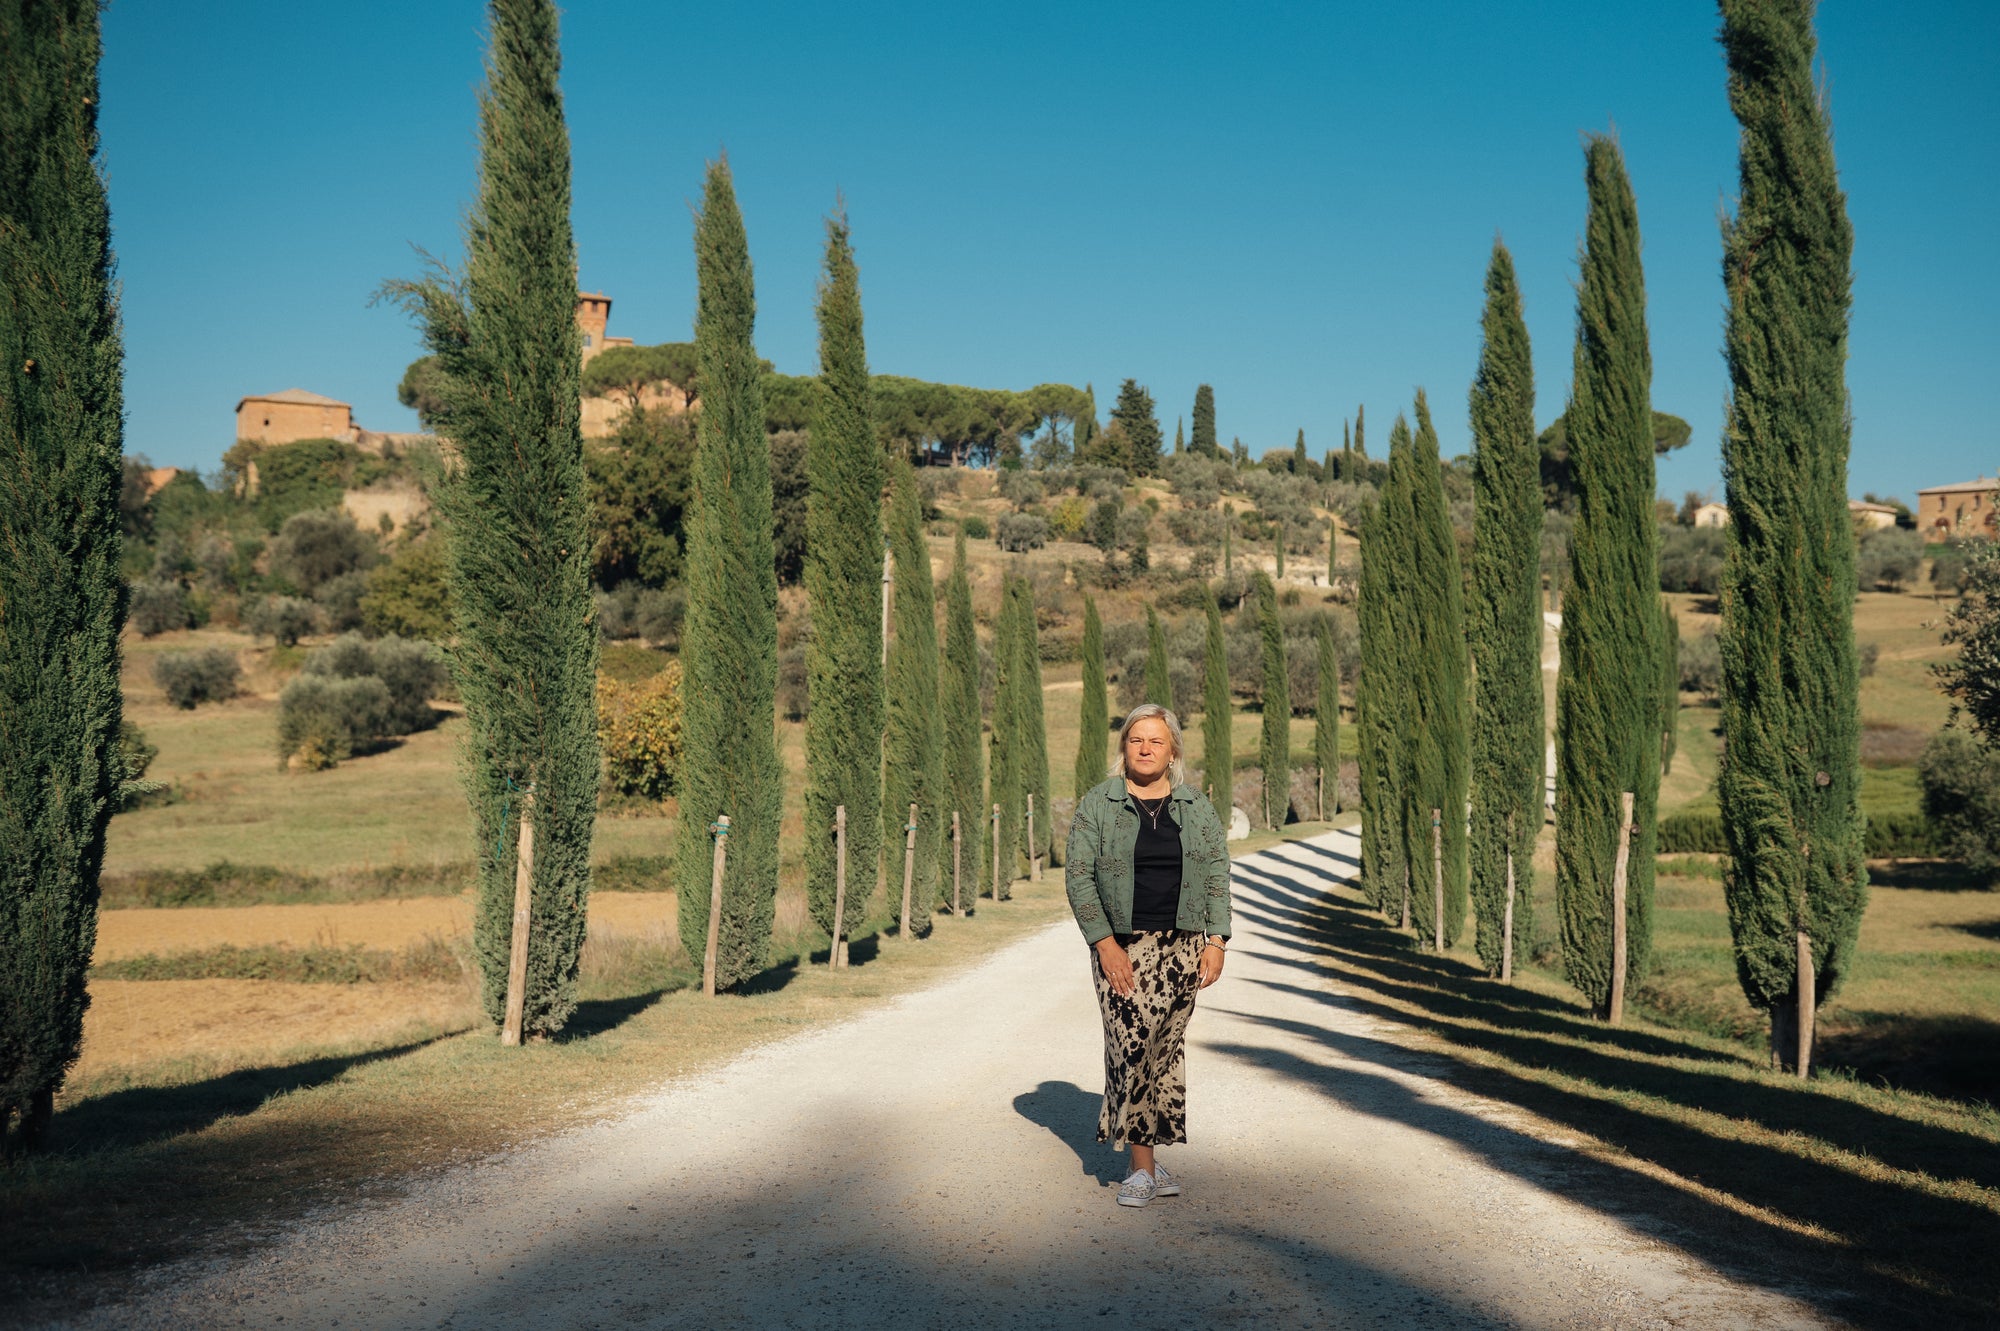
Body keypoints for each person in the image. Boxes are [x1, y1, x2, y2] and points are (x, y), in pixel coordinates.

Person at [1063, 702, 1232, 1208]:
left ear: (1173, 750)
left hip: (1183, 948)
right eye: (1136, 739)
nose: (1145, 748)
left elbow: (1219, 873)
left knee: (1163, 1051)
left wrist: (1216, 941)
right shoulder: (1099, 804)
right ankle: (1141, 1169)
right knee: (1132, 1046)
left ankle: (1151, 1162)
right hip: (1123, 948)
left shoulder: (1196, 808)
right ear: (1123, 747)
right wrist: (1104, 943)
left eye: (1156, 741)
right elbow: (1078, 876)